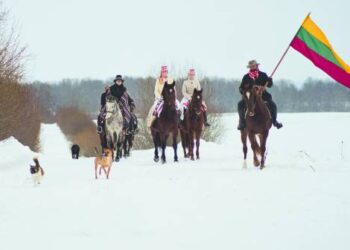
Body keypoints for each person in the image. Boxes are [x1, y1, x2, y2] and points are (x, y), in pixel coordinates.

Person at [237, 60, 283, 130]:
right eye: (251, 66)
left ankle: (274, 121)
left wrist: (270, 81)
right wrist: (242, 91)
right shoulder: (246, 77)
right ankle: (242, 123)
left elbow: (270, 85)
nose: (252, 67)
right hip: (250, 97)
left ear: (256, 66)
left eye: (253, 66)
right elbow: (241, 87)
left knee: (273, 105)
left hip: (263, 95)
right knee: (240, 105)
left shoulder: (263, 74)